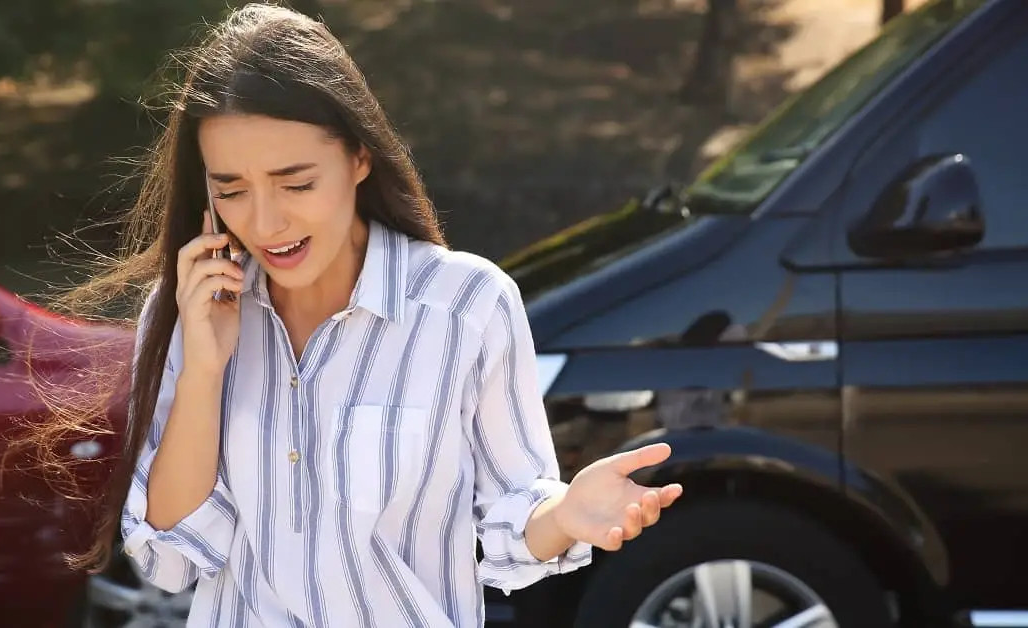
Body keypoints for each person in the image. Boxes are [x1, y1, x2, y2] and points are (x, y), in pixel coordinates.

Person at [39, 3, 683, 626]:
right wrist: (205, 369)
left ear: (359, 157)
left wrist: (568, 513)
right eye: (230, 189)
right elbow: (172, 559)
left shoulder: (466, 306)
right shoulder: (189, 311)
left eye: (296, 183)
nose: (265, 221)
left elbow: (512, 523)